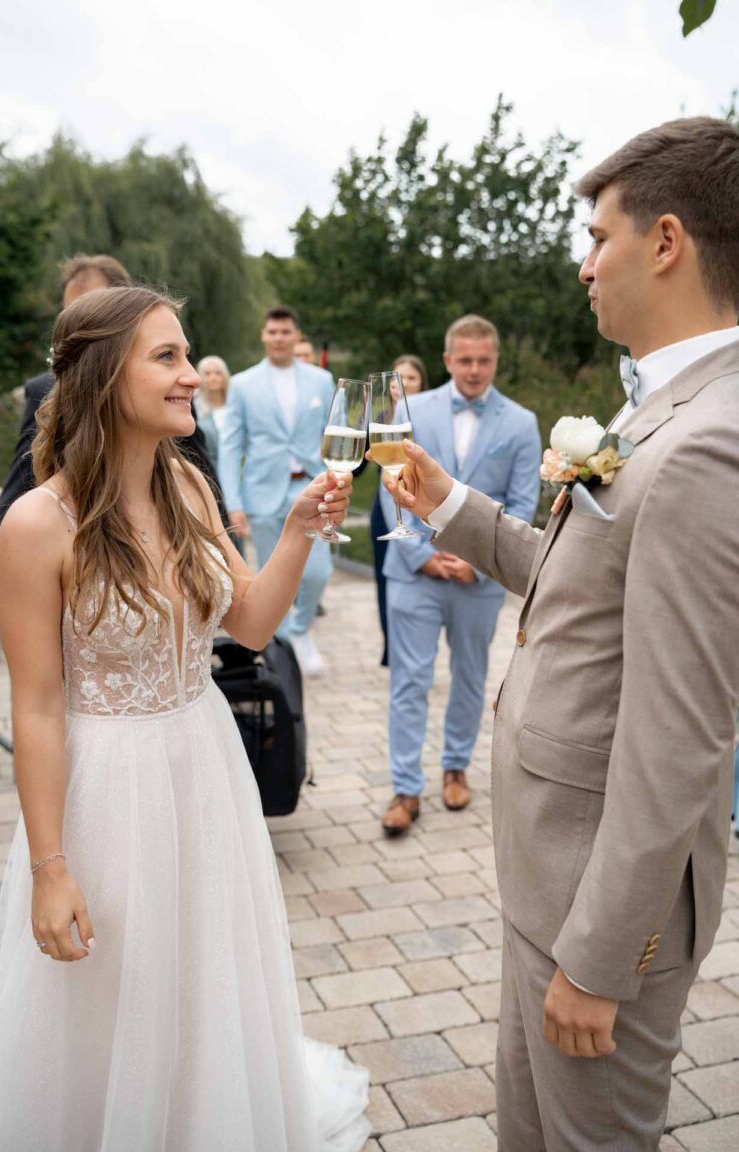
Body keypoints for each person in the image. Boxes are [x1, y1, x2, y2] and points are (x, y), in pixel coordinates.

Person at [380, 117, 739, 1150]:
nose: (586, 265)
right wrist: (453, 505)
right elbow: (583, 591)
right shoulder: (657, 410)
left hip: (599, 908)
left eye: (599, 237)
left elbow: (683, 737)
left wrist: (599, 955)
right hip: (549, 872)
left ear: (666, 242)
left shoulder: (710, 441)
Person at [0, 286, 368, 1151]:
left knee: (204, 981)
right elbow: (35, 708)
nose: (192, 375)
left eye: (188, 356)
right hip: (106, 793)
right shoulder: (38, 524)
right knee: (120, 993)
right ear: (105, 375)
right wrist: (48, 868)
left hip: (205, 766)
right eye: (168, 358)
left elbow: (253, 624)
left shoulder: (187, 487)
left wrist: (298, 529)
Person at [380, 321, 541, 833]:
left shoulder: (520, 422)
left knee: (471, 677)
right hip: (414, 572)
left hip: (481, 579)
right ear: (447, 359)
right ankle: (405, 789)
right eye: (464, 360)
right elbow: (390, 485)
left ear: (495, 361)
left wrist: (479, 560)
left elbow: (521, 504)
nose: (474, 370)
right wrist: (420, 557)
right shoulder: (413, 410)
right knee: (409, 681)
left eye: (484, 361)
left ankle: (456, 768)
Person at [0, 254, 131, 636]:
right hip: (73, 561)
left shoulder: (167, 386)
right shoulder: (45, 392)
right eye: (72, 313)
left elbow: (200, 474)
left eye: (94, 307)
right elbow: (19, 483)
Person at [219, 307, 335, 675]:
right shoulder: (242, 384)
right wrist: (233, 502)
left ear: (296, 335)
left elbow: (334, 438)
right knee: (273, 578)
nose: (279, 338)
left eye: (286, 331)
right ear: (263, 335)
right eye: (273, 331)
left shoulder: (321, 380)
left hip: (312, 488)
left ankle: (300, 630)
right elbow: (230, 446)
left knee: (317, 572)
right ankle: (283, 648)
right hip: (264, 494)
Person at [371, 354, 429, 667]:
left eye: (410, 378)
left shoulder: (431, 421)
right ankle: (392, 649)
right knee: (387, 579)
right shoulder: (379, 419)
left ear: (422, 384)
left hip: (422, 508)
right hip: (385, 512)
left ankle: (419, 647)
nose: (402, 385)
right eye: (397, 379)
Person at [194, 354, 230, 474]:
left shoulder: (234, 405)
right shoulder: (194, 407)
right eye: (207, 374)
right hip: (209, 470)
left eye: (217, 373)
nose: (213, 378)